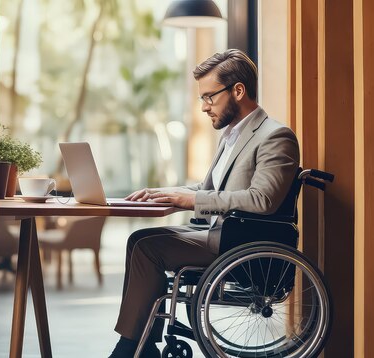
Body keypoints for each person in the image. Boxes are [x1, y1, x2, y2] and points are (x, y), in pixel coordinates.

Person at [108, 49, 300, 358]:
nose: (204, 107)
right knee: (139, 239)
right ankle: (144, 344)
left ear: (238, 90)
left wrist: (191, 201)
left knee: (147, 248)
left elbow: (263, 199)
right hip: (222, 235)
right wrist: (163, 192)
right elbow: (207, 188)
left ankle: (130, 348)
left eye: (209, 97)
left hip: (243, 244)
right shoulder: (231, 136)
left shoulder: (275, 136)